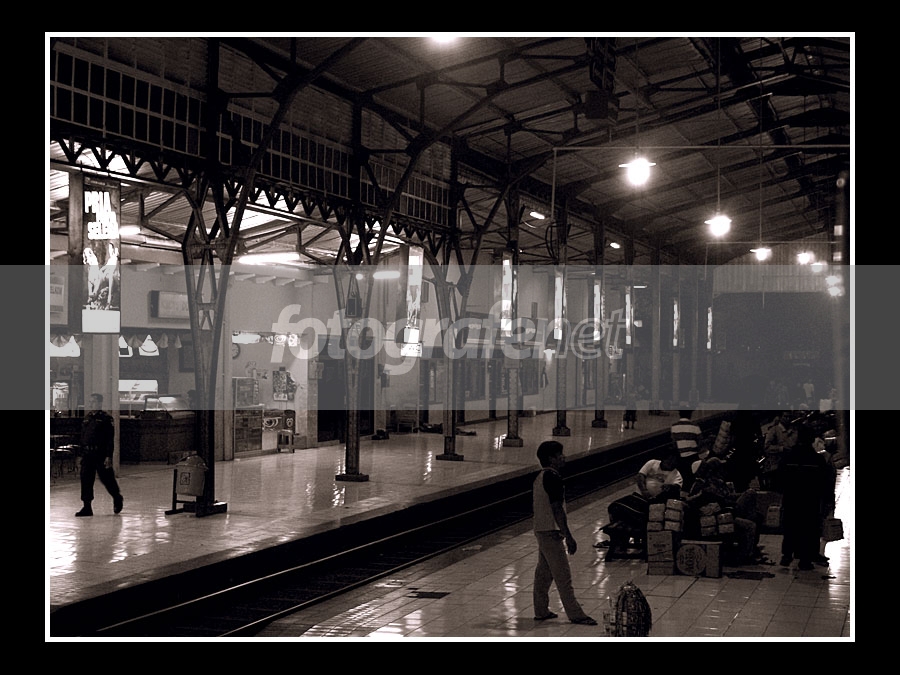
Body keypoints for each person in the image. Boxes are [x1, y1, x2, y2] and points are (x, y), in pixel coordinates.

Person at [531, 440, 597, 625]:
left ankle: (541, 610)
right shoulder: (553, 478)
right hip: (550, 532)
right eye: (560, 454)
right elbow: (557, 509)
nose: (563, 457)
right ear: (551, 459)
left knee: (544, 574)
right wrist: (568, 536)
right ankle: (576, 614)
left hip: (541, 529)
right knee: (563, 576)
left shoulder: (540, 476)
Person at [684, 456, 761, 564]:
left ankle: (750, 551)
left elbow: (725, 498)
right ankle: (745, 556)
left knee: (755, 513)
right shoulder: (700, 485)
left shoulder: (714, 482)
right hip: (719, 517)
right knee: (750, 523)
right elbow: (692, 502)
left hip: (726, 511)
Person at [778, 424, 831, 570]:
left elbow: (780, 478)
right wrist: (826, 500)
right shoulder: (817, 460)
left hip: (791, 499)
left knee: (790, 526)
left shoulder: (788, 457)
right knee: (808, 529)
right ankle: (805, 560)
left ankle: (787, 555)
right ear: (812, 440)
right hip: (810, 501)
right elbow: (824, 482)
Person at [76, 393, 124, 517]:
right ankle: (87, 506)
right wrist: (80, 454)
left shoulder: (106, 419)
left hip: (100, 454)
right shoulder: (87, 418)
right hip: (87, 454)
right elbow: (83, 437)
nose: (91, 404)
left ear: (99, 403)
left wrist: (109, 456)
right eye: (90, 401)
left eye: (93, 401)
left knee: (107, 478)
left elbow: (109, 439)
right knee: (86, 479)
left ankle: (117, 497)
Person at [671, 410, 702, 491]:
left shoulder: (674, 426)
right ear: (690, 414)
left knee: (684, 477)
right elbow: (700, 441)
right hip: (693, 456)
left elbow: (674, 443)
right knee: (693, 477)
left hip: (681, 457)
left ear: (680, 414)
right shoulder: (695, 426)